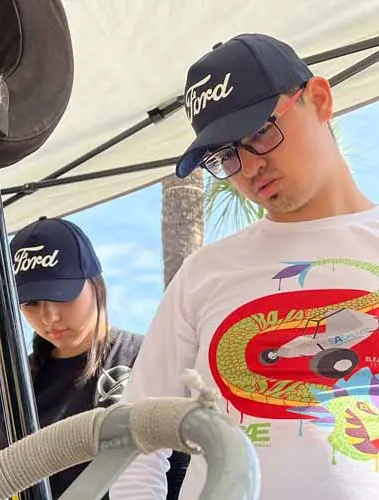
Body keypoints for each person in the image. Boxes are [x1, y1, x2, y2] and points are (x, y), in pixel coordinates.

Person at [109, 33, 379, 500]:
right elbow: (136, 436)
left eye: (259, 132)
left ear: (318, 99)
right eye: (227, 155)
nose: (250, 167)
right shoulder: (203, 274)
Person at [0, 216, 145, 498]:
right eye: (31, 303)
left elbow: (181, 463)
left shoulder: (143, 358)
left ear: (95, 283)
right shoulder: (17, 388)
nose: (49, 318)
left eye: (60, 295)